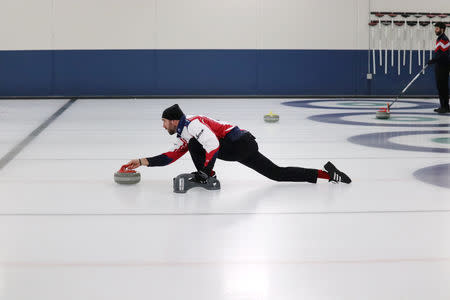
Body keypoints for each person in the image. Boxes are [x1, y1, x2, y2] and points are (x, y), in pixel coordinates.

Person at [125, 104, 351, 185]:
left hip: (239, 143)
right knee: (277, 174)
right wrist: (143, 162)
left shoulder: (193, 125)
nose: (163, 126)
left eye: (164, 122)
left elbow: (212, 145)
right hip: (240, 146)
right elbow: (172, 156)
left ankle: (207, 175)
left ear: (174, 120)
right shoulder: (185, 132)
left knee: (197, 146)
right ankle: (328, 174)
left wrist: (204, 172)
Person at [427, 22, 449, 113]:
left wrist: (434, 60)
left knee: (442, 87)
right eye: (435, 28)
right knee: (441, 87)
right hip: (440, 66)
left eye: (437, 28)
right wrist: (434, 60)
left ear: (442, 29)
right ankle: (444, 106)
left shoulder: (444, 39)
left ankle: (444, 107)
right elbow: (440, 54)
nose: (435, 30)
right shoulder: (439, 39)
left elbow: (444, 55)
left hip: (443, 66)